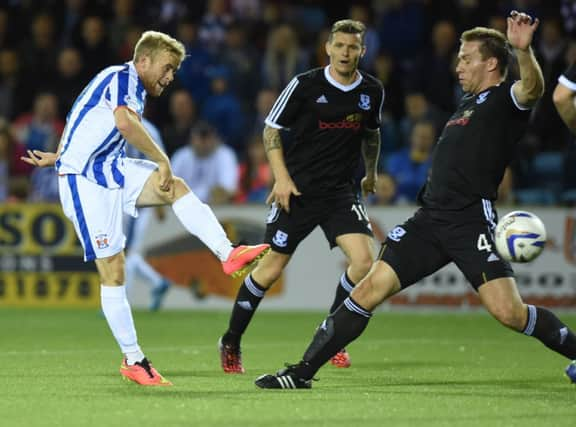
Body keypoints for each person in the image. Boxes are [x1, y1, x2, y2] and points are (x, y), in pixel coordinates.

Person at [255, 11, 576, 389]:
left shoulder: (507, 99)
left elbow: (534, 90)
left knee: (509, 313)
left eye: (466, 58)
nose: (458, 65)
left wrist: (523, 51)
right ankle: (300, 373)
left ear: (491, 63)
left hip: (469, 221)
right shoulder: (467, 105)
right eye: (458, 57)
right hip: (428, 220)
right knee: (367, 289)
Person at [20, 30, 270, 387]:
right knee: (114, 269)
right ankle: (134, 359)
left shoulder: (128, 86)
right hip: (85, 181)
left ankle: (228, 253)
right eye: (167, 68)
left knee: (175, 187)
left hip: (110, 168)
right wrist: (160, 158)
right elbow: (123, 123)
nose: (170, 78)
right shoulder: (123, 77)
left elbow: (86, 120)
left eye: (174, 71)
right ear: (144, 61)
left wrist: (61, 152)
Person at [218, 19, 384, 374]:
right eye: (339, 45)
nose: (345, 52)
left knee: (364, 262)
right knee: (271, 268)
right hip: (297, 190)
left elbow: (371, 134)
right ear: (328, 47)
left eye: (352, 47)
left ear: (362, 51)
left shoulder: (372, 90)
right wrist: (280, 177)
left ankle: (331, 335)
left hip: (340, 191)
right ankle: (231, 339)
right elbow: (271, 129)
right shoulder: (305, 85)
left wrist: (370, 172)